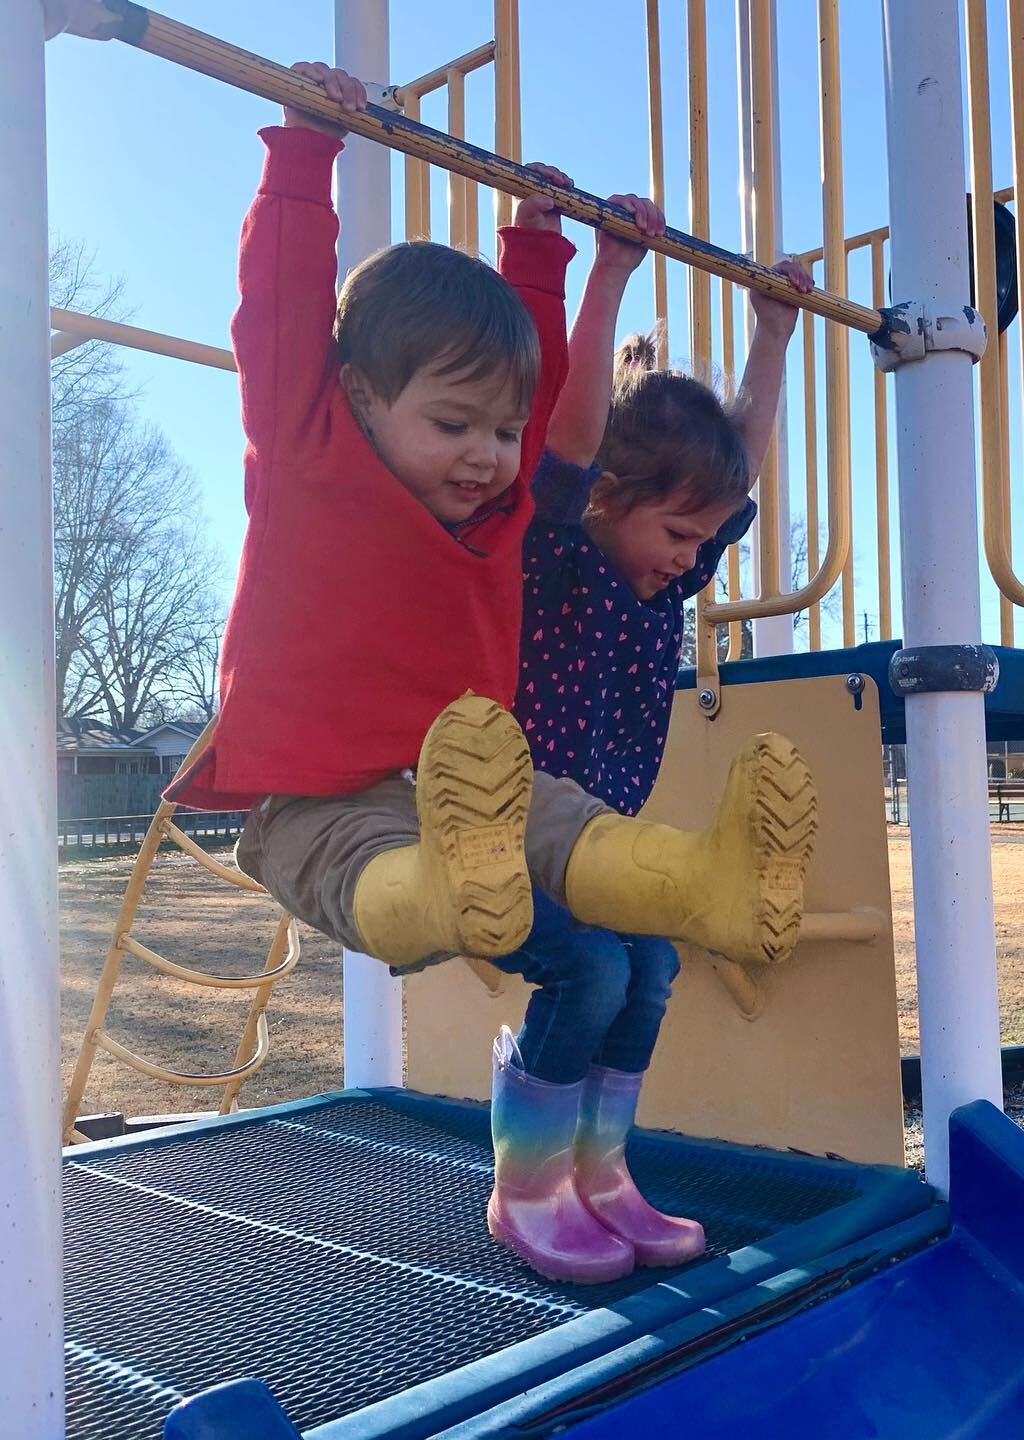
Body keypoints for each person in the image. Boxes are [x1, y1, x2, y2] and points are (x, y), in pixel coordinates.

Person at [168, 64, 819, 1275]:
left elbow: (548, 409)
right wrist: (306, 148)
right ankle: (526, 1172)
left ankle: (704, 902)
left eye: (503, 434)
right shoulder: (324, 464)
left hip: (482, 781)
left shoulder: (506, 512)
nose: (486, 459)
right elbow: (280, 313)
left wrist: (539, 241)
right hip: (325, 799)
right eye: (454, 428)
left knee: (623, 915)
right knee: (526, 928)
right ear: (360, 399)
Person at [482, 196, 815, 1283]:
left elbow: (739, 477)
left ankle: (600, 1172)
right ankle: (525, 1189)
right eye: (679, 532)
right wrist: (609, 273)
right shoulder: (565, 556)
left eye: (704, 539)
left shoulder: (656, 577)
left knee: (650, 965)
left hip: (604, 845)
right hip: (513, 839)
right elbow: (571, 443)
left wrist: (773, 337)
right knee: (586, 970)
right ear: (611, 499)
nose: (692, 557)